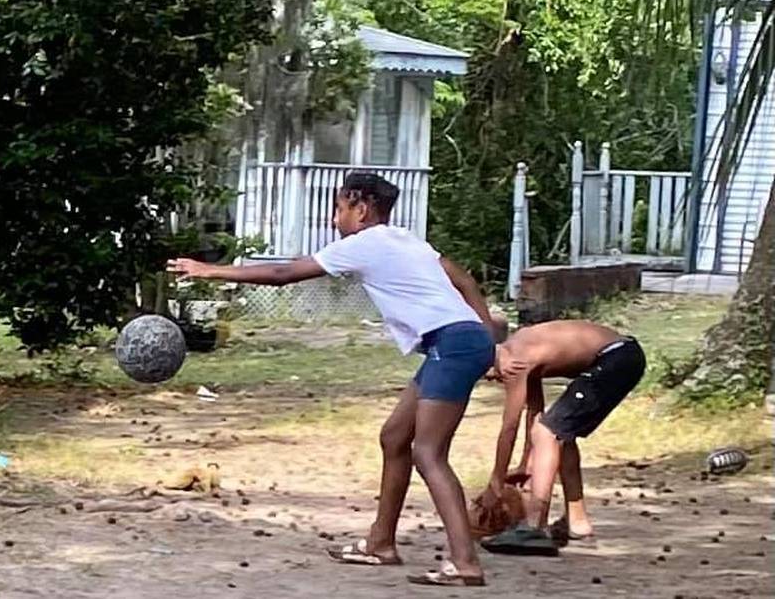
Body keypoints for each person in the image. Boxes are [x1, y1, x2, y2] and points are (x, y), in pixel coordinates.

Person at [168, 172, 499, 588]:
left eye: (339, 209)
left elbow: (283, 274)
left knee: (428, 453)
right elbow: (465, 281)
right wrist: (488, 339)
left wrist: (208, 271)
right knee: (395, 437)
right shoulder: (407, 240)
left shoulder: (362, 244)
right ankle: (381, 544)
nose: (334, 219)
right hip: (461, 340)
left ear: (361, 209)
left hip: (452, 344)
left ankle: (464, 563)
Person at [479, 319, 646, 556]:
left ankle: (534, 525)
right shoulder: (519, 350)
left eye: (482, 371)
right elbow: (534, 413)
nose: (487, 378)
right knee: (559, 434)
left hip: (616, 358)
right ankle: (578, 522)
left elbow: (509, 427)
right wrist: (525, 463)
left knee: (549, 432)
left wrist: (495, 484)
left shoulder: (514, 359)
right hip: (623, 355)